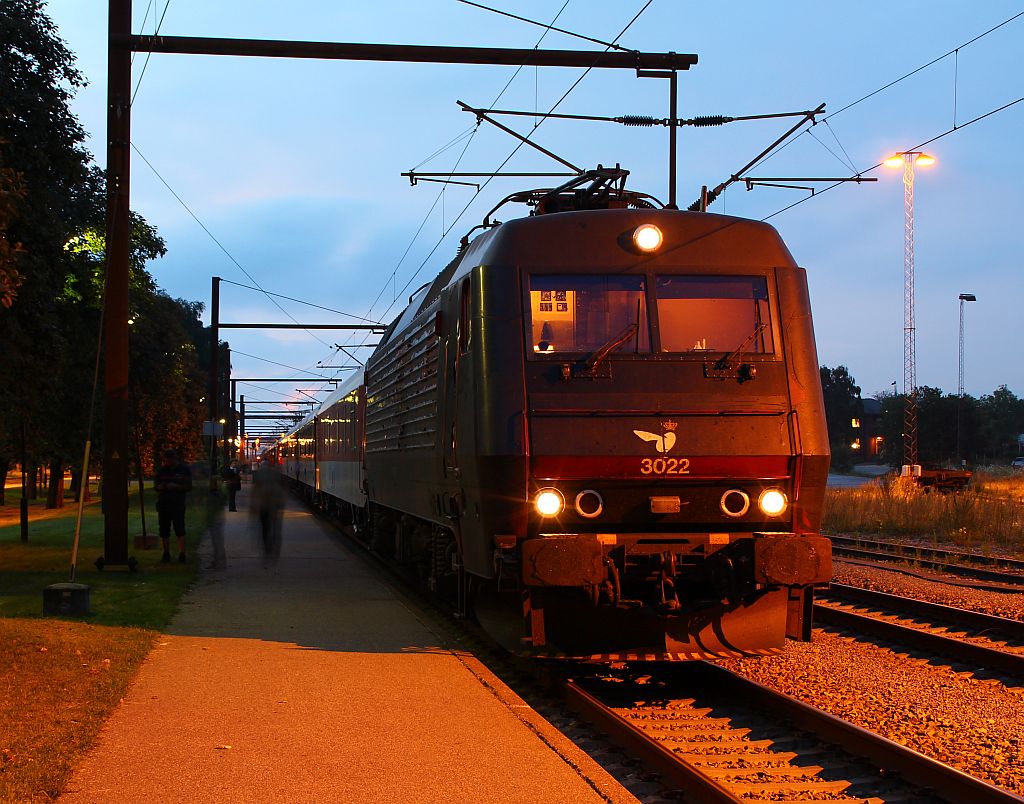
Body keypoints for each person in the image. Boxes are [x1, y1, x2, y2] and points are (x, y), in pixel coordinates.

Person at [154, 448, 192, 563]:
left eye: (170, 459)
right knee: (164, 529)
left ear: (175, 459)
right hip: (164, 503)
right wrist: (165, 487)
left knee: (179, 528)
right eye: (166, 460)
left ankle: (182, 553)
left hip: (177, 502)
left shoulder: (183, 470)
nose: (168, 462)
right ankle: (166, 553)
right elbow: (156, 486)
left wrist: (176, 487)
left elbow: (188, 486)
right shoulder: (161, 470)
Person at [250, 460, 286, 565]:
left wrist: (253, 506)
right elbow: (283, 488)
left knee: (265, 529)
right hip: (275, 505)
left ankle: (267, 551)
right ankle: (275, 549)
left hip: (264, 506)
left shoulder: (258, 475)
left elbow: (255, 490)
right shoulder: (276, 474)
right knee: (276, 529)